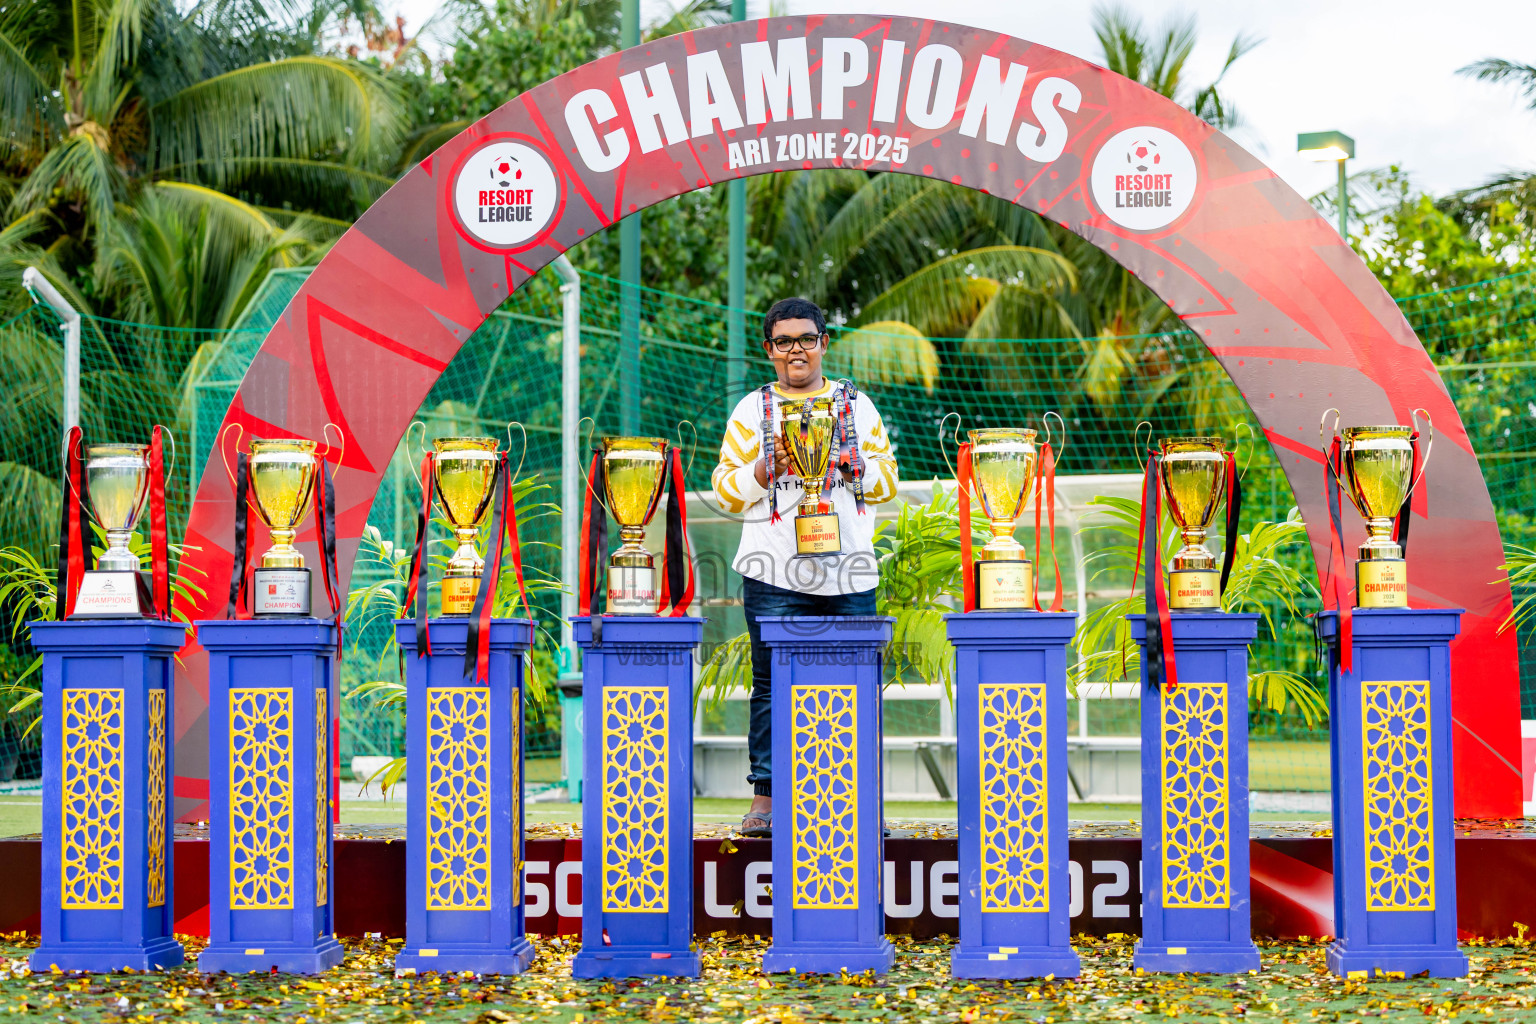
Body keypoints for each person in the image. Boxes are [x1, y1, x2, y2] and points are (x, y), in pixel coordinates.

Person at [711, 297, 898, 836]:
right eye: (785, 341)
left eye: (807, 339)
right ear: (768, 350)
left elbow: (888, 481)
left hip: (850, 569)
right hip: (772, 570)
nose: (797, 350)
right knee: (769, 683)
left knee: (857, 684)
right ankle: (764, 804)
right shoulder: (752, 410)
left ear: (824, 343)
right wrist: (765, 469)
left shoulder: (855, 406)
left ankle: (861, 803)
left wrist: (852, 465)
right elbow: (725, 492)